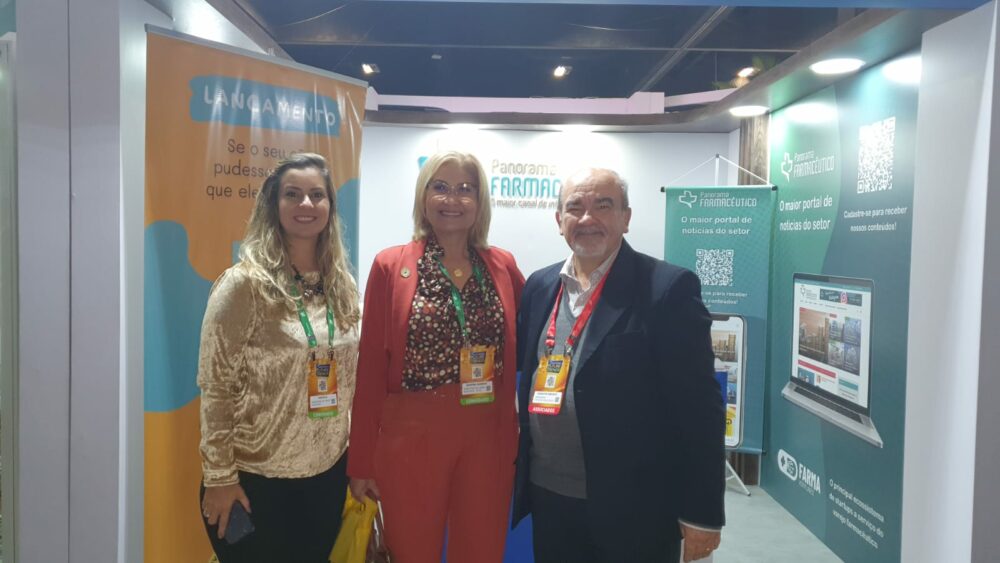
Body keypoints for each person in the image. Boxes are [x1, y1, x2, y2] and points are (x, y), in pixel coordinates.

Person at [512, 168, 726, 563]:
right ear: (559, 220)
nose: (588, 218)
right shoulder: (539, 287)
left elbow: (699, 408)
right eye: (575, 207)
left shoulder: (666, 288)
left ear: (626, 218)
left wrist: (702, 513)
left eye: (603, 205)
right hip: (550, 498)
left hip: (636, 507)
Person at [348, 151, 524, 563]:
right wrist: (360, 461)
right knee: (410, 551)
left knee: (481, 551)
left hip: (487, 432)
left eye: (465, 189)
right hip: (412, 433)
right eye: (440, 187)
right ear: (423, 196)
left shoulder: (502, 265)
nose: (452, 199)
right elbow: (370, 368)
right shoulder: (390, 265)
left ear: (479, 201)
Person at [197, 153, 361, 562]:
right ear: (273, 203)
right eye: (293, 194)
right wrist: (219, 477)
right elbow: (216, 387)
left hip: (325, 478)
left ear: (330, 207)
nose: (306, 204)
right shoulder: (244, 285)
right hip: (254, 482)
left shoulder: (342, 285)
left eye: (317, 195)